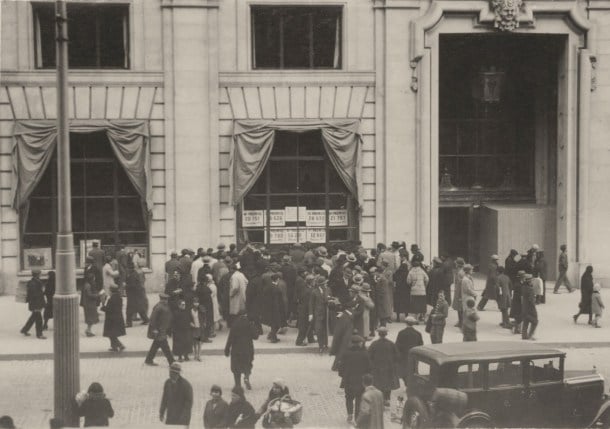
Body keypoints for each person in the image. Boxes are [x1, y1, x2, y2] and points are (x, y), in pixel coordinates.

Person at [339, 335, 371, 424]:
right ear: (360, 343)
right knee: (359, 399)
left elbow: (341, 368)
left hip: (348, 380)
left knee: (348, 397)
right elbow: (369, 368)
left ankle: (349, 414)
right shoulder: (365, 354)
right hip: (361, 381)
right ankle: (357, 417)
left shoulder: (346, 353)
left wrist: (343, 375)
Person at [368, 327, 399, 406]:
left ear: (378, 334)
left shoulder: (374, 344)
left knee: (378, 383)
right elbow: (397, 356)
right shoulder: (391, 344)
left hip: (377, 367)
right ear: (386, 334)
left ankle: (379, 399)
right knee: (388, 383)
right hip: (389, 367)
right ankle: (387, 399)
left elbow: (369, 356)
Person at [225, 311, 255, 389]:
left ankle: (237, 384)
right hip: (247, 349)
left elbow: (230, 338)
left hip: (236, 350)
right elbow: (256, 336)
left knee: (236, 368)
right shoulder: (249, 323)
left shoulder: (234, 324)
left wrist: (227, 349)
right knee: (247, 364)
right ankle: (246, 377)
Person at [145, 293, 175, 366]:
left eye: (166, 299)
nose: (166, 301)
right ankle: (172, 362)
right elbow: (153, 319)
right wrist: (154, 329)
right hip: (159, 330)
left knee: (155, 346)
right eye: (164, 299)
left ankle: (148, 360)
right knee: (165, 347)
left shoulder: (165, 306)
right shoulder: (158, 307)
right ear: (161, 299)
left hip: (163, 329)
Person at [395, 316, 423, 387]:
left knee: (405, 370)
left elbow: (397, 345)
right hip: (414, 355)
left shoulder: (401, 333)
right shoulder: (418, 333)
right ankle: (412, 384)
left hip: (404, 355)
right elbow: (421, 345)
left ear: (406, 323)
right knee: (413, 370)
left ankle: (407, 384)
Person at [21, 269, 46, 339]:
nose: (40, 275)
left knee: (33, 318)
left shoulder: (35, 281)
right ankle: (39, 334)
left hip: (36, 303)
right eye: (40, 273)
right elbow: (34, 295)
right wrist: (38, 305)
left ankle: (24, 330)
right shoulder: (33, 283)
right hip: (36, 304)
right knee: (39, 319)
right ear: (37, 274)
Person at [309, 275, 330, 353]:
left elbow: (329, 298)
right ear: (320, 284)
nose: (325, 284)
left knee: (325, 329)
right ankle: (320, 346)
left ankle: (325, 343)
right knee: (318, 330)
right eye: (324, 283)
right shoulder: (314, 292)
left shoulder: (328, 290)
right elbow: (311, 303)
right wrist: (310, 314)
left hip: (326, 313)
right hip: (317, 314)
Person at [125, 261, 149, 327]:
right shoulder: (133, 273)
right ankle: (146, 320)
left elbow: (133, 285)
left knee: (129, 309)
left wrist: (126, 286)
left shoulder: (132, 275)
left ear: (129, 268)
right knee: (140, 308)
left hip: (134, 294)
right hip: (137, 294)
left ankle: (128, 323)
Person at [102, 284, 126, 352]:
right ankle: (114, 346)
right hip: (117, 318)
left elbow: (109, 309)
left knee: (111, 334)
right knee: (112, 334)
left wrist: (103, 307)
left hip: (111, 319)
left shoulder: (112, 298)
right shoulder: (118, 297)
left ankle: (120, 345)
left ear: (111, 290)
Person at [295, 273, 315, 346]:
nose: (315, 282)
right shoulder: (308, 291)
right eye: (314, 280)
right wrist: (311, 312)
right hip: (304, 310)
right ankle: (299, 341)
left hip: (304, 309)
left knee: (309, 324)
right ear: (311, 281)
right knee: (303, 326)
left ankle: (311, 338)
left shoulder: (306, 288)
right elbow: (308, 303)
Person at [81, 270, 101, 337]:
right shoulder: (88, 286)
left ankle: (88, 330)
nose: (94, 279)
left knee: (90, 318)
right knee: (90, 318)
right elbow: (89, 295)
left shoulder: (86, 284)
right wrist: (97, 295)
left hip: (88, 303)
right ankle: (88, 330)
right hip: (89, 304)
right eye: (93, 278)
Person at [521, 274, 538, 340]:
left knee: (526, 321)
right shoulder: (530, 289)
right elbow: (532, 300)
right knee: (535, 321)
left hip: (524, 307)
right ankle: (530, 335)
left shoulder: (523, 287)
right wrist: (534, 299)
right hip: (530, 308)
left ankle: (524, 335)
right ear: (529, 281)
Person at [451, 258, 465, 328]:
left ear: (458, 264)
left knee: (460, 308)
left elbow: (461, 284)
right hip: (457, 291)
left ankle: (461, 322)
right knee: (459, 308)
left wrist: (460, 295)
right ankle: (460, 321)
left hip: (460, 292)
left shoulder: (461, 272)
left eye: (456, 263)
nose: (455, 264)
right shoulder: (458, 271)